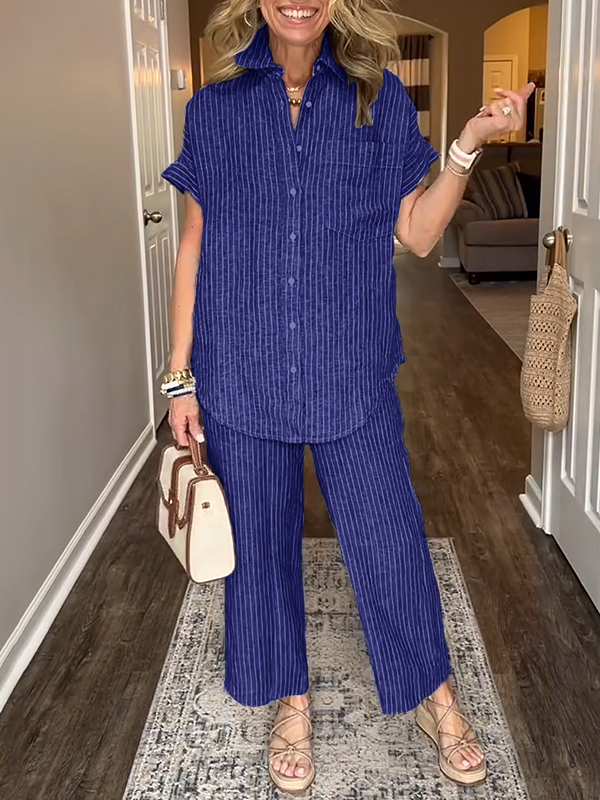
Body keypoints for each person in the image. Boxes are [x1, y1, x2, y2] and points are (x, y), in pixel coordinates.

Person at [161, 0, 533, 793]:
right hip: (243, 368)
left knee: (389, 537)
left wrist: (468, 145)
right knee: (260, 548)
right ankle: (290, 701)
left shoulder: (378, 97)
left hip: (349, 366)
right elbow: (194, 241)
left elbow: (419, 234)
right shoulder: (215, 108)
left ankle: (435, 695)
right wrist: (179, 375)